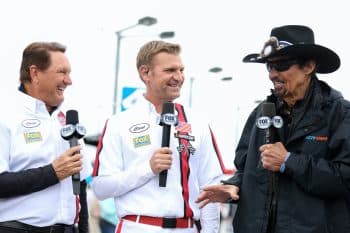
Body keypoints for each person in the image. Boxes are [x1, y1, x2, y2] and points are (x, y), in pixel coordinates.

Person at [196, 25, 350, 233]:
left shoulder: (340, 113)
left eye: (282, 65)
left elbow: (345, 178)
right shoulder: (261, 113)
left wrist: (289, 162)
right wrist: (233, 186)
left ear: (309, 66)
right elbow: (246, 169)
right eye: (269, 67)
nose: (273, 74)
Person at [92, 40, 225, 233]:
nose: (178, 77)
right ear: (146, 73)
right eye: (170, 70)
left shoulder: (198, 122)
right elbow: (101, 187)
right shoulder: (119, 123)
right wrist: (148, 168)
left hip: (187, 228)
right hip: (138, 226)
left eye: (181, 70)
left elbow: (211, 185)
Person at [0, 42, 92, 233]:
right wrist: (52, 172)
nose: (69, 81)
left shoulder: (67, 119)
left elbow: (80, 186)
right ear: (35, 73)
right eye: (62, 72)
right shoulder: (5, 115)